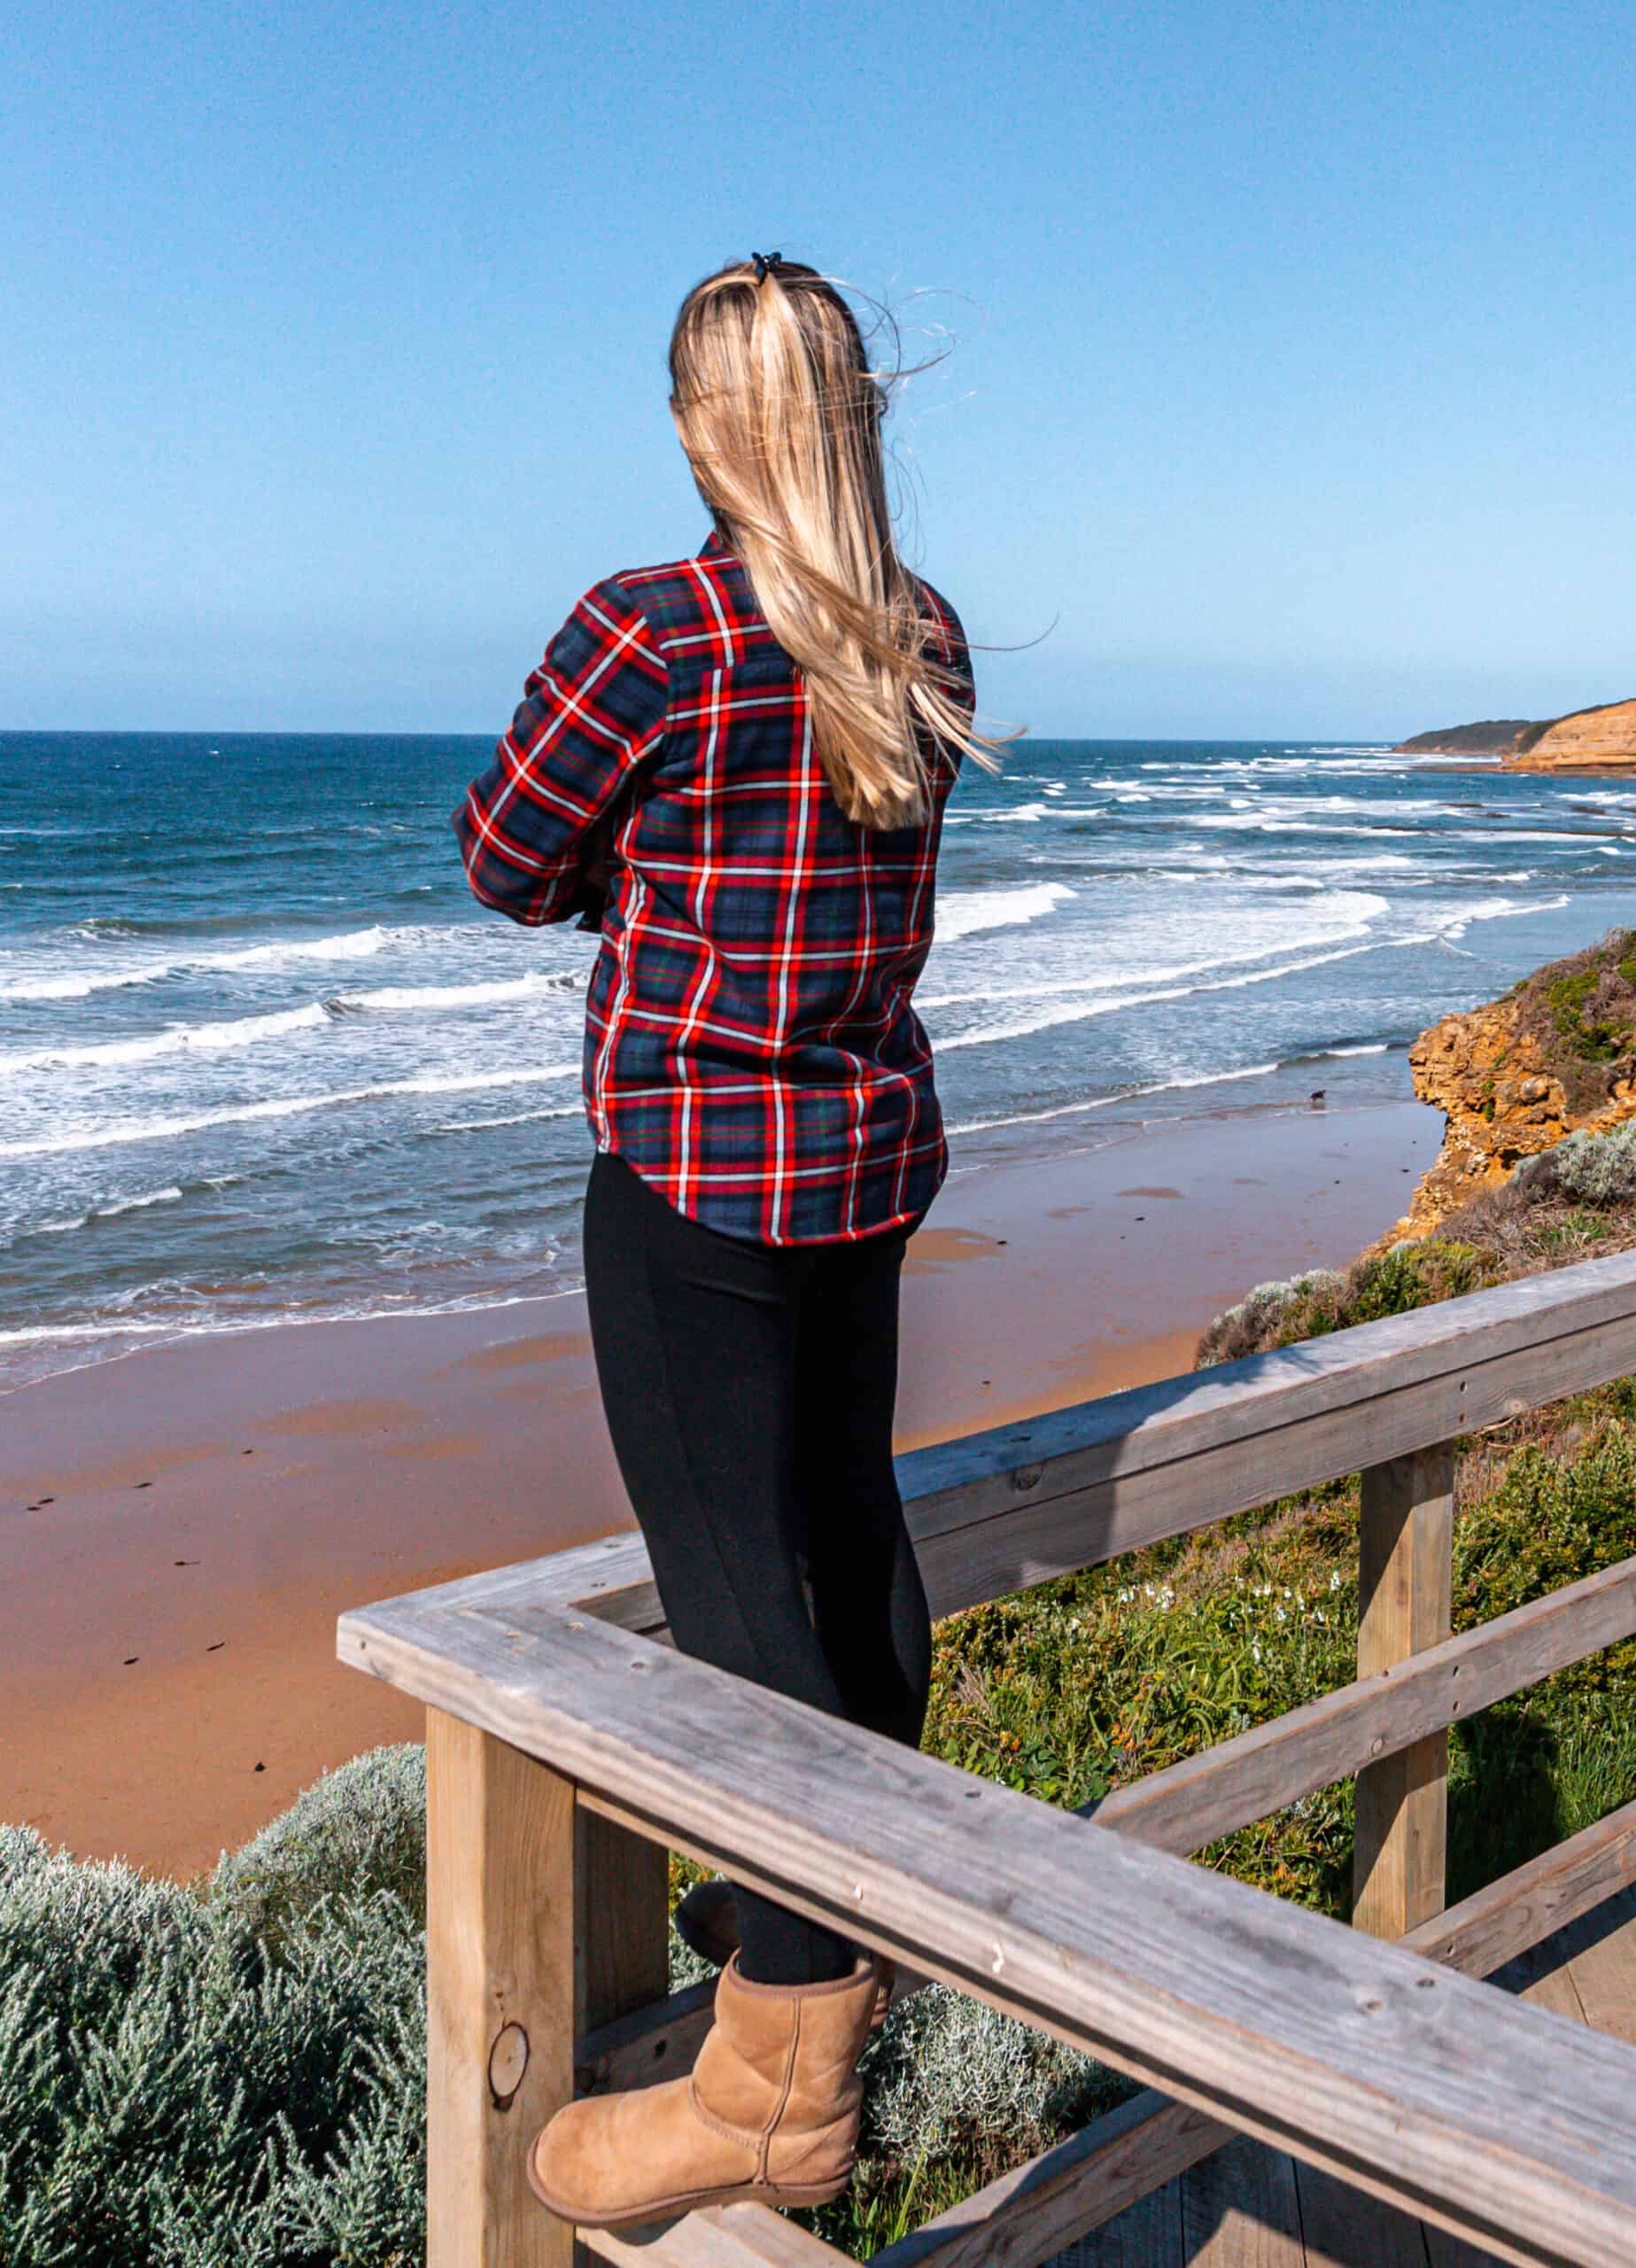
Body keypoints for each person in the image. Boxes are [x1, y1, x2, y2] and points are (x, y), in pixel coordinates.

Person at [452, 253, 999, 2230]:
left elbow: (507, 856)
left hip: (687, 1166)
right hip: (857, 1149)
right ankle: (808, 1901)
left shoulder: (646, 625)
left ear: (702, 424)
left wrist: (631, 865)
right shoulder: (915, 631)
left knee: (735, 1593)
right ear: (854, 416)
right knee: (843, 1538)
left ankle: (781, 2051)